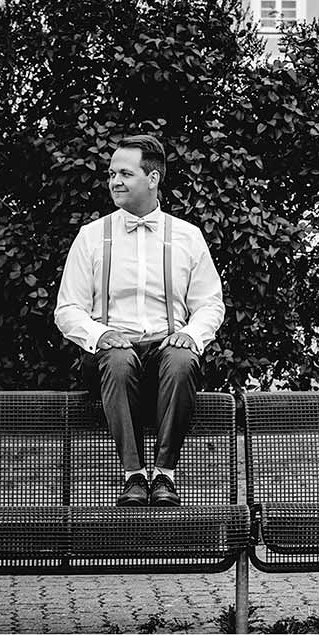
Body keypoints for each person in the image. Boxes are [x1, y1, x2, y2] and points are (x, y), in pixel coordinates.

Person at [55, 133, 225, 507]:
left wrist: (192, 334)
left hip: (166, 355)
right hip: (109, 361)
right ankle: (133, 475)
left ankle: (164, 475)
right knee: (117, 358)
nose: (114, 181)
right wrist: (99, 334)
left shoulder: (188, 237)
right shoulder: (91, 236)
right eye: (112, 173)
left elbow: (210, 303)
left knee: (183, 358)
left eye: (125, 174)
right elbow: (68, 308)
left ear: (153, 179)